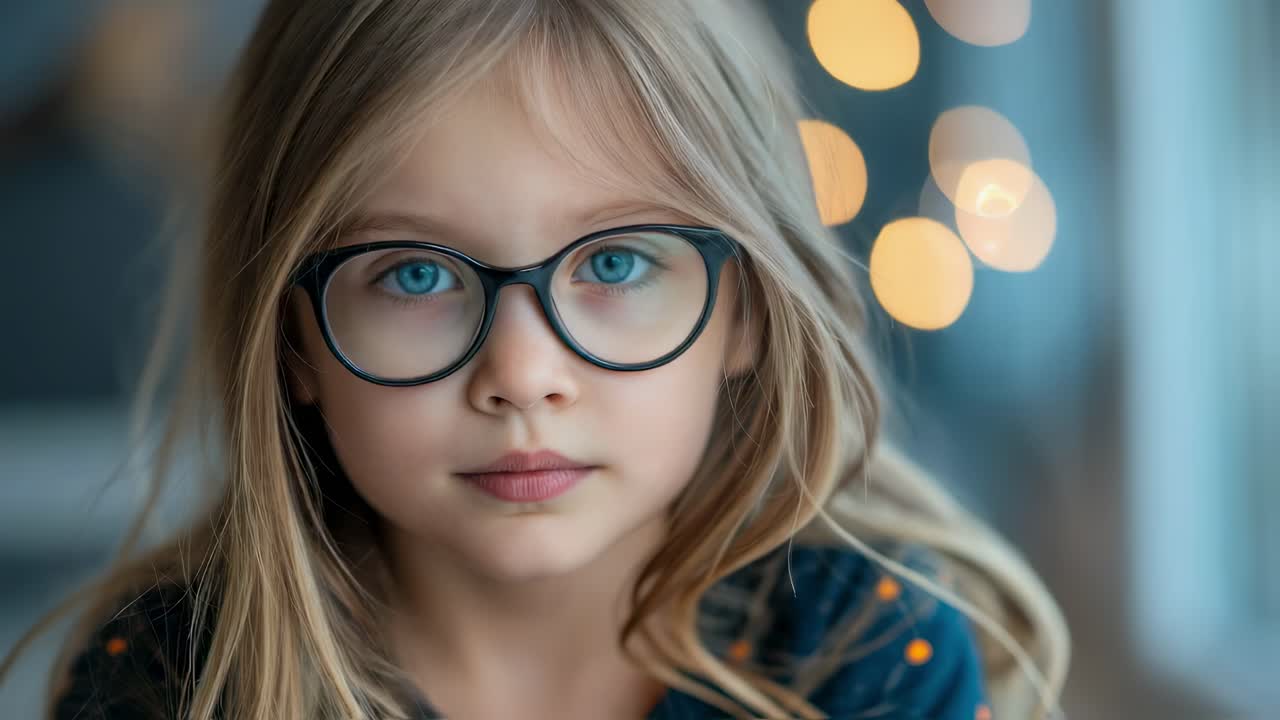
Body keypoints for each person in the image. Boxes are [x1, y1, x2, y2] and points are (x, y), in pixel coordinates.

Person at [3, 1, 1070, 718]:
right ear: (292, 341)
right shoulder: (173, 681)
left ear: (747, 309)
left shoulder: (861, 656)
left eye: (614, 260)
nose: (522, 375)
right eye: (414, 275)